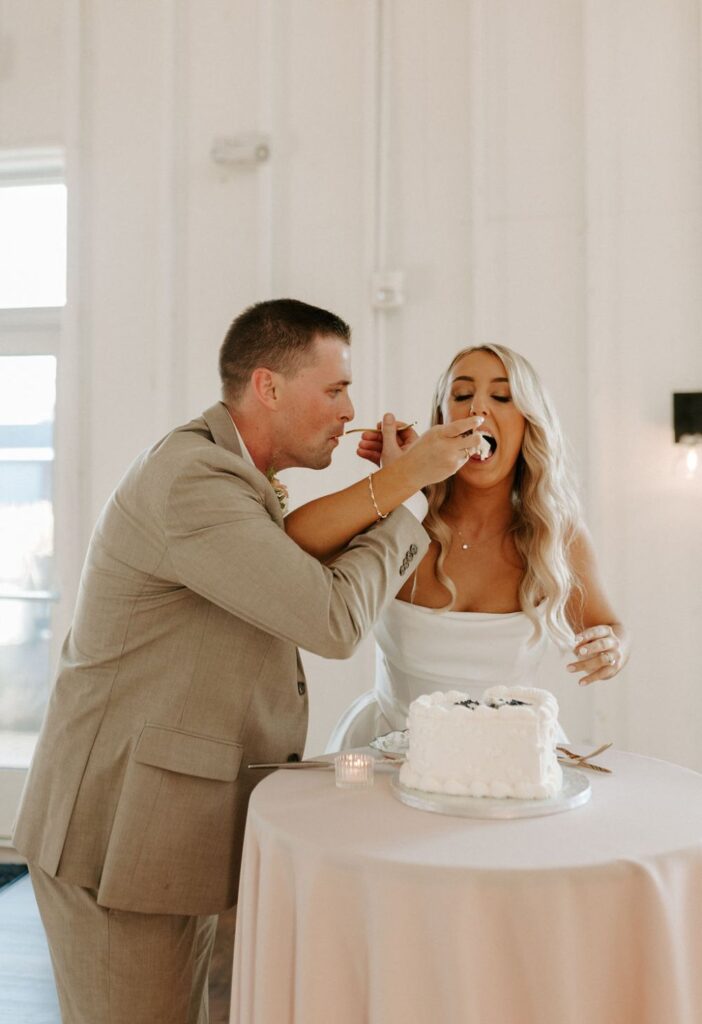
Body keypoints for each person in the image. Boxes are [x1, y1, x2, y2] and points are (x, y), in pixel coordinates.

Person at [12, 298, 483, 1024]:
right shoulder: (194, 482)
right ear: (267, 386)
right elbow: (330, 619)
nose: (350, 409)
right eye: (334, 389)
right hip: (111, 836)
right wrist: (411, 499)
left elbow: (290, 561)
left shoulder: (229, 475)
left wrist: (392, 489)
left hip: (157, 828)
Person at [319, 343, 630, 749]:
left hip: (513, 762)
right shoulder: (399, 518)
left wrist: (614, 650)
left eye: (502, 396)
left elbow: (610, 629)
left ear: (527, 424)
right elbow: (299, 549)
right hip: (389, 754)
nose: (478, 409)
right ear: (441, 419)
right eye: (462, 395)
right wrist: (399, 480)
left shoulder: (555, 533)